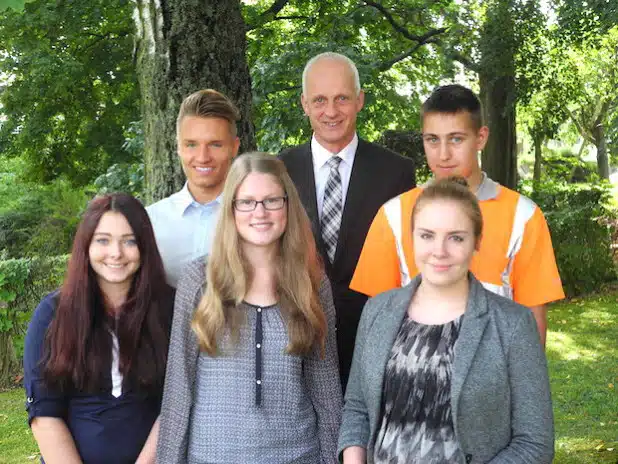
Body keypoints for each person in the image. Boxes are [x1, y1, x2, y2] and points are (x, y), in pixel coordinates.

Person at [338, 177, 554, 464]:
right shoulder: (377, 311)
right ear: (412, 237)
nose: (439, 250)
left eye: (456, 237)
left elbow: (534, 442)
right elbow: (357, 407)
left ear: (477, 241)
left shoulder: (512, 325)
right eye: (427, 235)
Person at [157, 153, 342, 463]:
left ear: (288, 206)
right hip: (211, 456)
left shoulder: (312, 284)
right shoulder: (200, 281)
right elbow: (179, 386)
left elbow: (325, 391)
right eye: (247, 202)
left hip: (298, 456)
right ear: (231, 209)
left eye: (272, 200)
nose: (260, 212)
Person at [351, 84, 564, 345]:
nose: (443, 155)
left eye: (456, 139)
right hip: (413, 374)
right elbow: (378, 319)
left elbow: (533, 320)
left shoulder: (524, 216)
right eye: (432, 139)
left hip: (494, 377)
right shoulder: (392, 215)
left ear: (481, 138)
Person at [279, 52, 416, 387]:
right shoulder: (278, 171)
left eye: (341, 98)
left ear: (360, 101)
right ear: (304, 104)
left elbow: (407, 263)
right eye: (320, 100)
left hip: (374, 345)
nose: (331, 111)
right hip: (296, 343)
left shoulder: (396, 172)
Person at [24, 193, 174, 464]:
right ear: (86, 246)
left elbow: (175, 404)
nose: (116, 253)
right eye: (103, 240)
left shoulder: (170, 310)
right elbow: (45, 415)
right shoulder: (51, 315)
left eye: (129, 241)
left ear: (145, 246)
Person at [147, 89, 241, 288]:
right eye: (191, 145)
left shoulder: (257, 218)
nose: (202, 157)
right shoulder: (151, 222)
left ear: (234, 147)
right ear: (178, 147)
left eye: (215, 144)